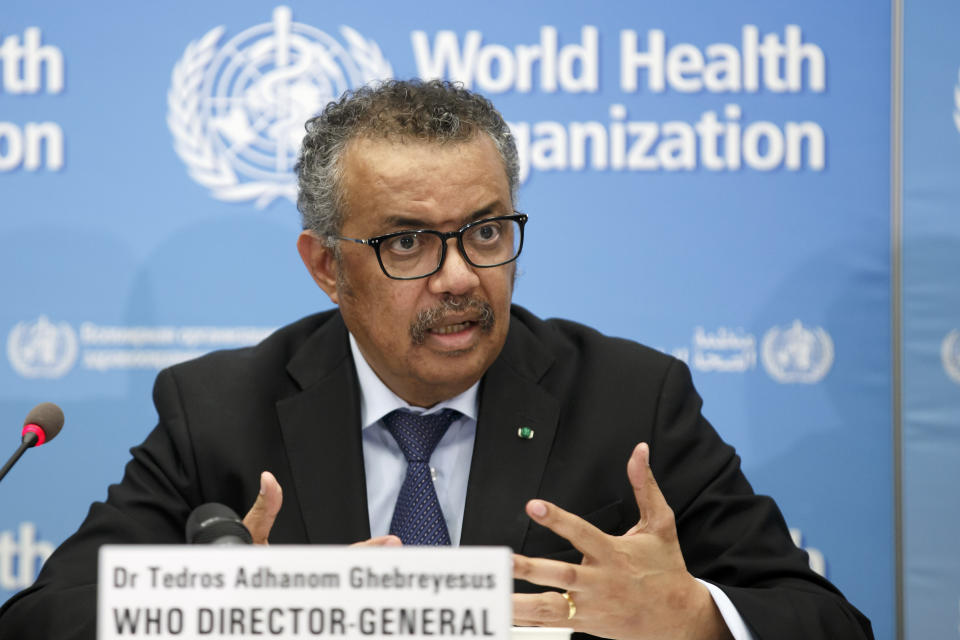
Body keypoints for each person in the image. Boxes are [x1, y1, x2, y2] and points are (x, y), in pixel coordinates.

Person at [0, 80, 872, 640]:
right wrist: (225, 609)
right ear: (325, 266)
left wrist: (697, 621)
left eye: (487, 231)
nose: (461, 278)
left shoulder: (631, 399)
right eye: (409, 243)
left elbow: (826, 621)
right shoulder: (220, 408)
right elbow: (44, 618)